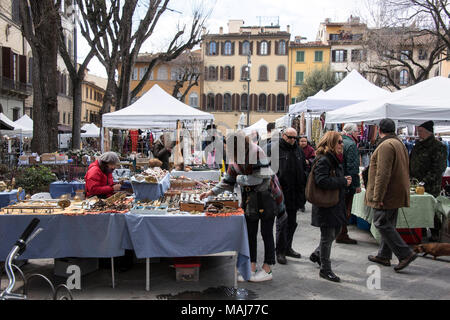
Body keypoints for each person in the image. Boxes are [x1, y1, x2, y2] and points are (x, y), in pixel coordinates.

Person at [200, 131, 284, 282]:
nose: (226, 149)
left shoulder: (257, 152)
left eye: (227, 146)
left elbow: (261, 178)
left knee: (266, 233)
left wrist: (240, 178)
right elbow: (228, 180)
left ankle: (267, 268)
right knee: (250, 233)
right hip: (250, 199)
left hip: (267, 197)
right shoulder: (236, 157)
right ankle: (250, 267)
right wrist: (210, 192)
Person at [366, 118, 418, 272]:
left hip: (388, 193)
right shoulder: (398, 143)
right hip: (395, 191)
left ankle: (405, 253)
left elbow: (383, 174)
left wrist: (378, 197)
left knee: (381, 223)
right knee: (388, 223)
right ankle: (383, 255)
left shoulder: (387, 145)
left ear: (380, 130)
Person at [309, 131, 351, 283]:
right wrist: (342, 181)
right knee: (327, 236)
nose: (342, 144)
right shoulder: (324, 160)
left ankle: (317, 254)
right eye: (339, 142)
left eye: (342, 141)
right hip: (326, 204)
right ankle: (325, 269)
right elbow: (321, 181)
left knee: (337, 231)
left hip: (334, 202)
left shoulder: (334, 159)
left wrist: (343, 181)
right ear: (331, 143)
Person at [274, 128, 307, 265]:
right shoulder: (276, 150)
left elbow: (303, 168)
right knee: (282, 223)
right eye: (290, 137)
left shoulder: (298, 150)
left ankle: (288, 248)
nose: (293, 140)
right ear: (283, 136)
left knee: (292, 223)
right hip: (282, 193)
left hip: (295, 193)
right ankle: (280, 251)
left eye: (295, 138)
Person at [409, 120, 447, 241]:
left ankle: (436, 232)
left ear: (428, 132)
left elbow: (439, 168)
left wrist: (424, 181)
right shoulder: (417, 145)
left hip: (431, 185)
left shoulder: (438, 146)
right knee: (417, 207)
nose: (418, 133)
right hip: (415, 182)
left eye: (420, 131)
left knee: (431, 209)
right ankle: (421, 231)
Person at [336, 123, 361, 245]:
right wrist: (356, 184)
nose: (358, 134)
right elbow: (353, 167)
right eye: (357, 132)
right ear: (351, 132)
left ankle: (340, 232)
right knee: (346, 209)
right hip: (347, 182)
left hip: (339, 181)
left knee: (340, 208)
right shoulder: (351, 145)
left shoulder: (339, 141)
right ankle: (342, 233)